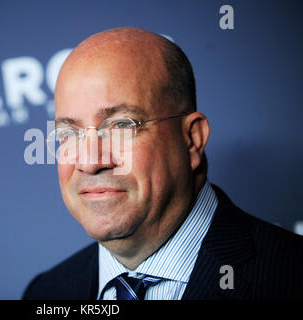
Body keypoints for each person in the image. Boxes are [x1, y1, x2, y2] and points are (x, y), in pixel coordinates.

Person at [23, 27, 302, 300]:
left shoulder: (289, 275)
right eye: (68, 134)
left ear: (192, 139)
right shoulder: (47, 292)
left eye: (121, 125)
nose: (89, 162)